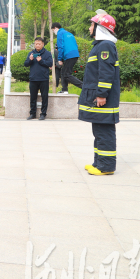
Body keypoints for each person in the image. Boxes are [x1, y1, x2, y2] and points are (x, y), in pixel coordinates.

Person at [79, 12, 120, 175]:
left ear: (100, 28)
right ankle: (98, 163)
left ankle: (106, 167)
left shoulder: (105, 46)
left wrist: (102, 94)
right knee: (98, 131)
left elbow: (106, 73)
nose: (90, 28)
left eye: (92, 25)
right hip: (98, 97)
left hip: (103, 99)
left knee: (104, 132)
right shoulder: (101, 45)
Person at [24, 37, 53, 120]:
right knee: (33, 97)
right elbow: (26, 64)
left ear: (43, 44)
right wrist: (30, 60)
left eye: (39, 44)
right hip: (33, 79)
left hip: (44, 79)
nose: (37, 45)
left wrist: (41, 61)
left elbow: (50, 63)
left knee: (44, 97)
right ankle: (32, 113)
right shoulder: (31, 53)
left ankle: (43, 114)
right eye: (36, 44)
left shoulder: (47, 53)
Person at [51, 22, 84, 94]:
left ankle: (84, 87)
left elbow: (60, 47)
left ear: (55, 28)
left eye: (53, 30)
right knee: (63, 72)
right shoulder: (69, 34)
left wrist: (60, 59)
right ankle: (64, 90)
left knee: (66, 74)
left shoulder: (60, 33)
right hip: (74, 54)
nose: (54, 32)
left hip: (69, 55)